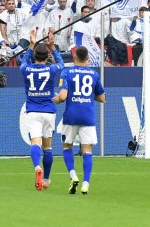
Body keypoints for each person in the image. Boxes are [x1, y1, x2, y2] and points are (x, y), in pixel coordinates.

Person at [53, 46, 105, 195]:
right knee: (87, 149)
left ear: (74, 56)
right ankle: (86, 184)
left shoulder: (67, 72)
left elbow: (62, 97)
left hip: (71, 115)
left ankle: (73, 176)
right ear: (87, 57)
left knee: (67, 146)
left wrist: (57, 100)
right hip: (87, 116)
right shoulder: (94, 74)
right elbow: (102, 98)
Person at [20, 39, 60, 191]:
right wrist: (53, 47)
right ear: (47, 56)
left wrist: (30, 46)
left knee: (35, 143)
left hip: (33, 111)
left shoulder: (26, 69)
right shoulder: (51, 70)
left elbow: (23, 61)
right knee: (48, 147)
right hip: (49, 111)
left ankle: (37, 166)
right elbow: (61, 63)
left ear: (34, 55)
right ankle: (46, 178)